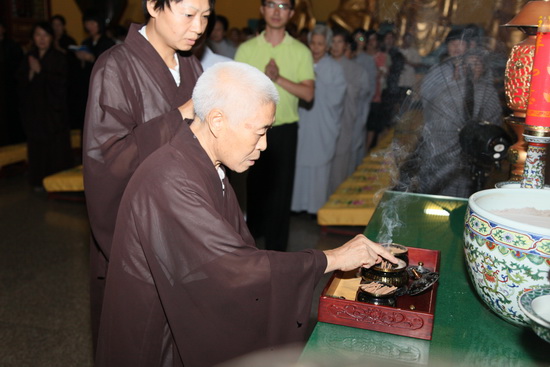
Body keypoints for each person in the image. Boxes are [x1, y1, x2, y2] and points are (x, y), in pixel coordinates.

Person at [96, 61, 398, 367]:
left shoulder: (206, 164)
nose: (264, 145)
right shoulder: (168, 178)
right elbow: (233, 267)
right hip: (157, 340)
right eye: (260, 132)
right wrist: (331, 258)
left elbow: (237, 252)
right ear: (217, 121)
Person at [82, 0, 213, 349]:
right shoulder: (115, 67)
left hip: (187, 227)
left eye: (205, 16)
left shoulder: (194, 67)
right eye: (188, 14)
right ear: (153, 5)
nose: (199, 27)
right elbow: (106, 160)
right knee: (141, 341)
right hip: (139, 231)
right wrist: (179, 117)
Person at [235, 0, 314, 251]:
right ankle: (251, 248)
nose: (277, 11)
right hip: (252, 128)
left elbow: (308, 94)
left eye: (283, 6)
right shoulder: (246, 49)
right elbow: (237, 91)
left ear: (291, 13)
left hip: (285, 129)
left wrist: (277, 78)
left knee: (281, 192)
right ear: (262, 9)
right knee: (254, 188)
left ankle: (278, 252)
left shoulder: (301, 51)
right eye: (271, 4)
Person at [407, 28, 502, 198]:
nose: (456, 48)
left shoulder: (484, 86)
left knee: (463, 186)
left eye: (461, 44)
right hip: (440, 134)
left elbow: (489, 111)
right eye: (452, 43)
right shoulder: (438, 71)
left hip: (469, 145)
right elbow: (427, 100)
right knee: (433, 183)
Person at [291, 25, 346, 215]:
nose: (316, 47)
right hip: (302, 120)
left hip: (323, 123)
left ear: (328, 45)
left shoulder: (335, 68)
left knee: (318, 166)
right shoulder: (300, 62)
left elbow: (338, 96)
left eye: (320, 44)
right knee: (298, 162)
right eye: (313, 43)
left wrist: (317, 82)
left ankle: (314, 208)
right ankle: (295, 206)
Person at [15, 22, 73, 190]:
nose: (41, 39)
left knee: (55, 147)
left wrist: (41, 71)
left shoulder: (59, 57)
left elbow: (62, 84)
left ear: (51, 38)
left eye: (45, 35)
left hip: (54, 113)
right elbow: (20, 84)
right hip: (34, 112)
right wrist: (31, 72)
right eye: (38, 35)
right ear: (33, 38)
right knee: (36, 146)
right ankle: (37, 179)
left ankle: (57, 182)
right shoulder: (29, 57)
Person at [329, 27, 370, 193]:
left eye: (340, 42)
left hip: (346, 120)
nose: (336, 46)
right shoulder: (320, 65)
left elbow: (364, 95)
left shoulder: (356, 69)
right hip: (323, 122)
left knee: (341, 163)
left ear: (346, 45)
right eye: (333, 41)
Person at [0, 20, 24, 146]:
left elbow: (18, 68)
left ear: (3, 29)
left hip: (9, 89)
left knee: (10, 120)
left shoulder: (12, 46)